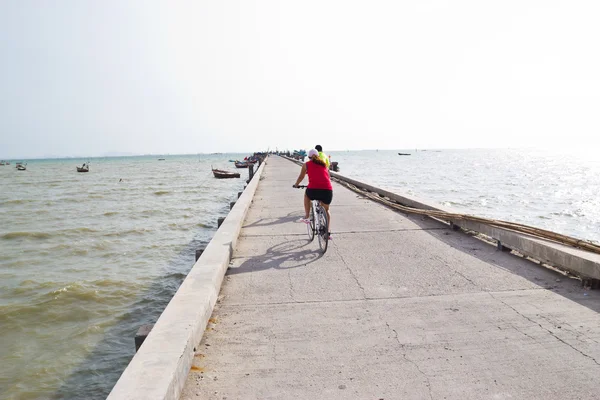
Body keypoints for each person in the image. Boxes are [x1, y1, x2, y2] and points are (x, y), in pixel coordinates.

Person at [293, 149, 333, 238]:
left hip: (313, 190)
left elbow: (301, 176)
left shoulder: (306, 164)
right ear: (318, 156)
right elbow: (328, 177)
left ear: (309, 157)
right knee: (326, 210)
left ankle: (307, 217)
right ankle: (328, 232)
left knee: (306, 196)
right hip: (327, 191)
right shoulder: (324, 165)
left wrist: (296, 184)